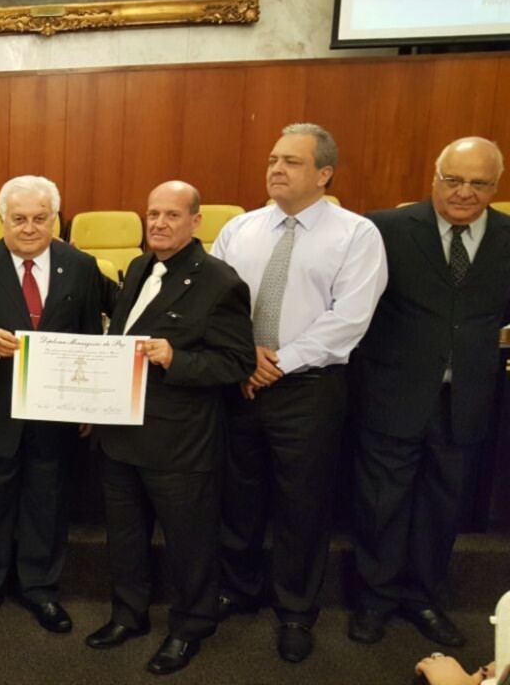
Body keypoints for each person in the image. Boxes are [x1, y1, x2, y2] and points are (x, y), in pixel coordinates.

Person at [211, 123, 388, 663]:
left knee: (302, 503)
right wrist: (245, 355)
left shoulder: (356, 234)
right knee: (237, 495)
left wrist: (280, 362)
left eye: (291, 161)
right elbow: (214, 303)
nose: (276, 169)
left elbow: (349, 319)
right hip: (240, 382)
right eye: (272, 159)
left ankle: (294, 609)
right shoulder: (239, 229)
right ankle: (238, 588)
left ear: (324, 173)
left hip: (309, 389)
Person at [86, 181, 255, 675]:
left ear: (196, 222)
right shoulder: (140, 266)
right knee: (125, 536)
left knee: (189, 544)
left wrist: (176, 358)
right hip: (121, 432)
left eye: (172, 215)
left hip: (180, 442)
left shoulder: (220, 282)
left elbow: (237, 362)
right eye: (153, 214)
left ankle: (190, 628)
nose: (159, 223)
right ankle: (129, 615)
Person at [350, 137, 509, 647]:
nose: (464, 192)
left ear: (496, 187)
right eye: (453, 179)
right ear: (434, 178)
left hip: (465, 399)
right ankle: (374, 599)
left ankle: (423, 598)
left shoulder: (508, 237)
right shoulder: (385, 229)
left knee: (442, 506)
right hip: (392, 393)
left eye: (479, 183)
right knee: (382, 503)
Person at [0, 175, 116, 634]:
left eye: (40, 218)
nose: (28, 228)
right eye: (18, 219)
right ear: (1, 220)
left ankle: (41, 590)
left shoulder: (80, 266)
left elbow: (91, 338)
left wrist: (87, 405)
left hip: (55, 414)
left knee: (47, 505)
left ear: (54, 219)